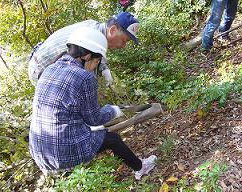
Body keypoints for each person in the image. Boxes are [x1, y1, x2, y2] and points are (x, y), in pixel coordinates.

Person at [29, 27, 157, 180]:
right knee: (113, 140)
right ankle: (141, 168)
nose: (96, 66)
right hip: (63, 151)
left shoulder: (49, 69)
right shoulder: (84, 77)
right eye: (97, 61)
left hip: (39, 154)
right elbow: (94, 119)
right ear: (87, 56)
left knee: (97, 134)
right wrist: (114, 110)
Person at [28, 11, 139, 86]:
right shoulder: (90, 38)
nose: (123, 46)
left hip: (50, 66)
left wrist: (104, 69)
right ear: (112, 30)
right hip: (41, 68)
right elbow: (84, 77)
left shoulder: (96, 31)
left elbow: (98, 56)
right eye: (124, 40)